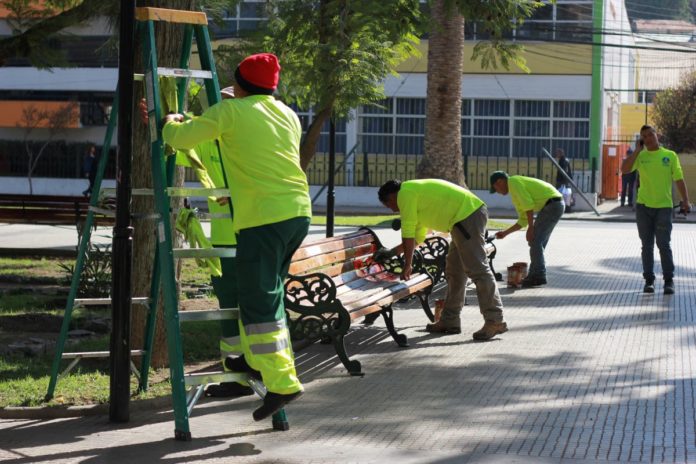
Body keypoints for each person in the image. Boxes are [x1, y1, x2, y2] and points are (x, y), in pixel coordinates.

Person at [162, 53, 311, 421]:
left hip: (263, 218)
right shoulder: (288, 114)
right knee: (266, 294)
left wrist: (168, 121)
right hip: (297, 212)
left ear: (240, 86)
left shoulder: (230, 113)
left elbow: (179, 138)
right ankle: (254, 358)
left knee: (259, 302)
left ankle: (282, 382)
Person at [377, 179, 507, 341]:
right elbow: (417, 238)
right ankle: (450, 320)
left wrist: (407, 265)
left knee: (478, 270)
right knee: (455, 271)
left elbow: (408, 233)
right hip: (462, 220)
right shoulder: (415, 195)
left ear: (391, 196)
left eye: (389, 205)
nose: (392, 210)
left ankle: (495, 320)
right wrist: (391, 252)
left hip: (466, 217)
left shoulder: (405, 194)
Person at [620, 125, 690, 295]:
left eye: (650, 135)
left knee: (664, 244)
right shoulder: (641, 156)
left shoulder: (669, 156)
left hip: (664, 208)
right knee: (647, 245)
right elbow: (624, 169)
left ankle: (668, 281)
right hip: (644, 207)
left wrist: (686, 200)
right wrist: (637, 151)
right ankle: (649, 280)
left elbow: (679, 179)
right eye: (644, 136)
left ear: (656, 135)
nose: (648, 139)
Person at [490, 171, 564, 288]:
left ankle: (538, 275)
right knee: (536, 243)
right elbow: (523, 219)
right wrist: (505, 233)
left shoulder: (513, 182)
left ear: (500, 182)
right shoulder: (515, 191)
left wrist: (531, 228)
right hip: (554, 205)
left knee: (535, 241)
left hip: (552, 205)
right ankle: (535, 274)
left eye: (496, 189)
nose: (498, 192)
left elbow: (528, 206)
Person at [554, 148, 573, 213]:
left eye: (557, 153)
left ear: (561, 153)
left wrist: (562, 181)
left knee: (559, 194)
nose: (556, 154)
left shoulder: (563, 160)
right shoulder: (565, 160)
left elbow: (564, 171)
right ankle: (567, 208)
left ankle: (562, 208)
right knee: (567, 194)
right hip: (566, 180)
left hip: (562, 180)